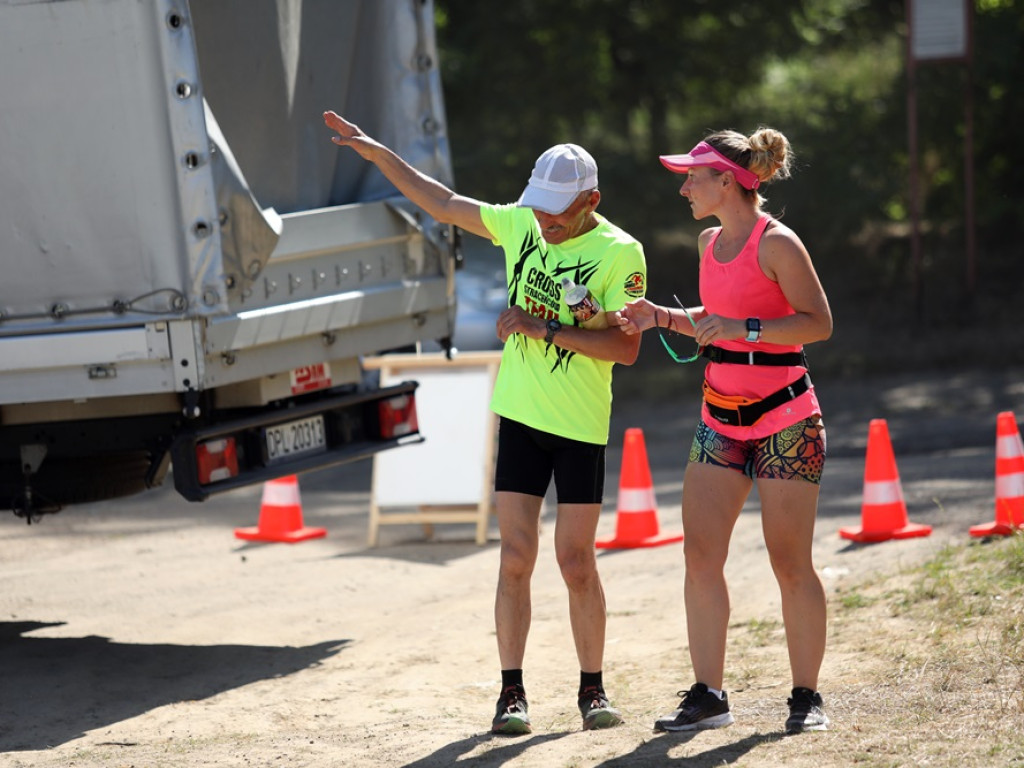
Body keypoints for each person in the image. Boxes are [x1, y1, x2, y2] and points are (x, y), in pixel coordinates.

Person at [323, 111, 647, 734]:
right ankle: (512, 694)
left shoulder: (619, 252)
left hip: (581, 425)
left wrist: (541, 326)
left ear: (591, 201)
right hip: (522, 417)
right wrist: (379, 155)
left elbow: (625, 349)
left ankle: (593, 690)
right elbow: (442, 202)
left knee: (576, 561)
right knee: (516, 557)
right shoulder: (522, 225)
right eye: (541, 208)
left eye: (558, 211)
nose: (546, 222)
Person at [613, 128, 833, 735]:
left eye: (693, 176)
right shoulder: (709, 241)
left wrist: (747, 327)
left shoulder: (779, 244)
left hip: (787, 417)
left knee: (791, 563)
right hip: (718, 418)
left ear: (728, 182)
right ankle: (709, 696)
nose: (684, 187)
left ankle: (806, 697)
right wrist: (658, 317)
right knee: (700, 556)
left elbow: (818, 324)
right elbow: (714, 325)